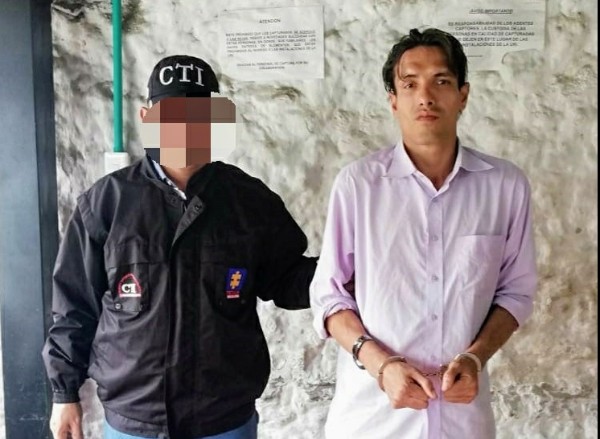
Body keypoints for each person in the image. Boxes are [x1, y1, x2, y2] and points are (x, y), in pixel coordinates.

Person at [42, 55, 318, 439]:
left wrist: (353, 269)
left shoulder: (249, 201)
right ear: (147, 118)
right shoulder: (106, 202)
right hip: (134, 419)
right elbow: (75, 305)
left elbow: (288, 279)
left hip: (224, 418)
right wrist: (64, 392)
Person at [310, 28, 537, 438]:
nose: (425, 97)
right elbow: (328, 295)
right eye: (410, 84)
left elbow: (516, 293)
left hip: (461, 420)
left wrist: (475, 357)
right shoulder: (358, 186)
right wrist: (382, 365)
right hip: (372, 419)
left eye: (441, 81)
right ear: (393, 100)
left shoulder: (505, 186)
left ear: (463, 95)